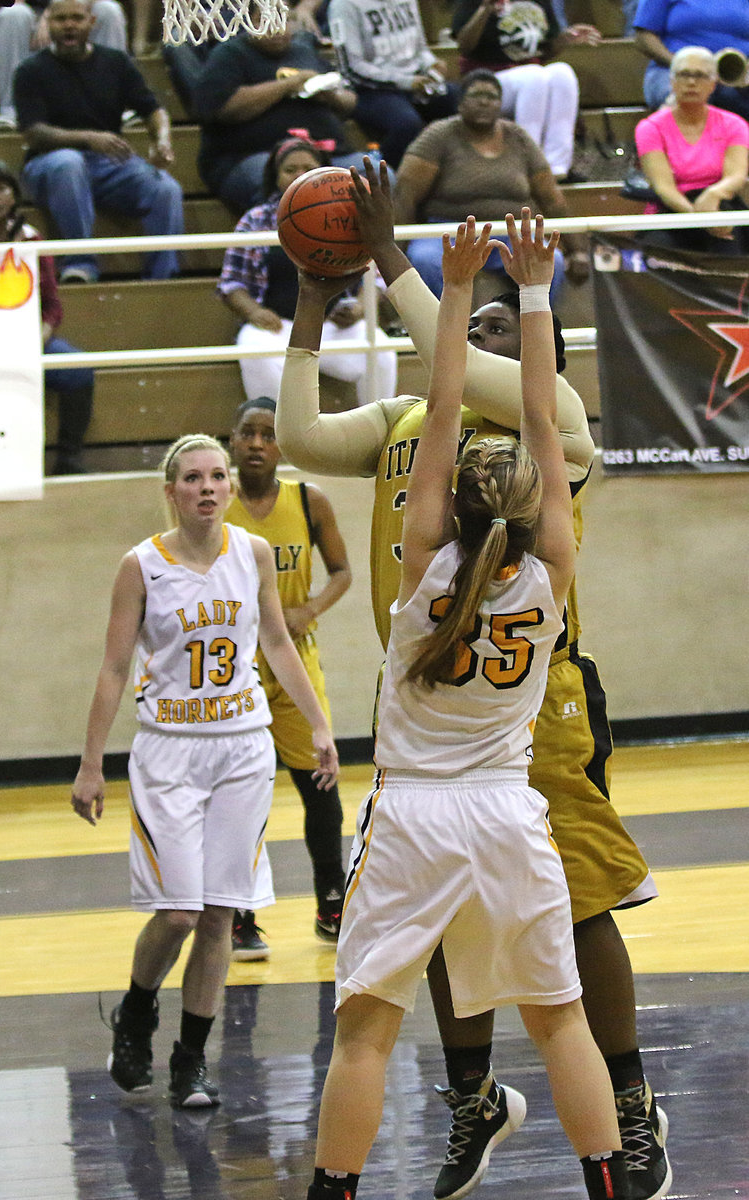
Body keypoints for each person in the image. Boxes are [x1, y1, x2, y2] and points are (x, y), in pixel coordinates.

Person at [277, 159, 671, 1200]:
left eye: (505, 326)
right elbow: (302, 435)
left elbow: (501, 395)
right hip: (474, 736)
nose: (484, 339)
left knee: (580, 908)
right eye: (477, 326)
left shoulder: (554, 431)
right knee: (471, 943)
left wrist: (404, 270)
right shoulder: (415, 430)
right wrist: (312, 312)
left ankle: (629, 1114)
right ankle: (476, 1099)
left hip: (510, 720)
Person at [71, 433, 339, 1108]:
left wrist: (318, 725)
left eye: (217, 475)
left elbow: (278, 641)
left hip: (242, 747)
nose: (209, 486)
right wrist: (90, 763)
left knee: (221, 912)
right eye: (193, 477)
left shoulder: (251, 555)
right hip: (169, 753)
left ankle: (191, 1060)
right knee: (179, 912)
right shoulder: (140, 566)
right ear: (171, 491)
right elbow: (112, 667)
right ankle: (137, 1011)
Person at [227, 396, 352, 957]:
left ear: (282, 446)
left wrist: (311, 608)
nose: (256, 443)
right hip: (233, 669)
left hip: (295, 663)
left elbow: (343, 571)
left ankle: (331, 903)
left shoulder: (308, 500)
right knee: (238, 796)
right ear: (232, 442)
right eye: (247, 433)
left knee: (320, 788)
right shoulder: (214, 503)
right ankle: (238, 913)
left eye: (268, 434)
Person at [218, 135, 397, 406]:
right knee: (253, 349)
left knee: (382, 351)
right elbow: (231, 284)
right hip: (278, 327)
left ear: (324, 173)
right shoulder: (255, 219)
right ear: (275, 176)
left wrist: (360, 307)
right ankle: (275, 440)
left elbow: (376, 276)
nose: (299, 175)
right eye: (290, 170)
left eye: (308, 169)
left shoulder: (351, 214)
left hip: (335, 326)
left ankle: (379, 439)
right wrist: (254, 312)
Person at [13, 0, 183, 283]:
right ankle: (81, 263)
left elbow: (154, 110)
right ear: (47, 22)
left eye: (77, 18)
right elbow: (33, 132)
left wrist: (162, 141)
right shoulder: (31, 70)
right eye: (61, 19)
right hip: (48, 165)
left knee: (165, 187)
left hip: (108, 166)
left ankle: (162, 276)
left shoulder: (115, 62)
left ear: (92, 22)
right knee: (69, 161)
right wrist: (88, 138)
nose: (69, 25)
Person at [393, 69, 589, 297]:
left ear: (500, 104)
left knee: (550, 259)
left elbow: (552, 200)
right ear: (460, 103)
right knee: (425, 259)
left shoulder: (519, 138)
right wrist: (399, 255)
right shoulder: (437, 136)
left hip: (510, 234)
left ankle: (536, 330)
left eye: (492, 96)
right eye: (476, 95)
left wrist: (577, 251)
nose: (484, 102)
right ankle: (439, 331)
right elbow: (405, 195)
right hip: (448, 232)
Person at [0, 157, 95, 474]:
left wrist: (37, 340)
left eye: (1, 188)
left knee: (77, 369)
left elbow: (53, 306)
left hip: (28, 339)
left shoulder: (32, 240)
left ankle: (68, 459)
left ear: (13, 195)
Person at [191, 17, 368, 214]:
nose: (276, 29)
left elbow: (350, 102)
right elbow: (220, 107)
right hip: (253, 157)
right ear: (248, 22)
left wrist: (328, 94)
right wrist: (288, 85)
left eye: (283, 21)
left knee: (375, 175)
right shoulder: (229, 54)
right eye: (265, 20)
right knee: (287, 181)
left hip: (325, 155)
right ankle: (284, 243)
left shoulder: (304, 52)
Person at [450, 0, 601, 181]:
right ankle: (527, 165)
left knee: (563, 73)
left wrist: (566, 38)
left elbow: (543, 51)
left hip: (529, 78)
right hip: (488, 81)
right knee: (534, 76)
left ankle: (557, 166)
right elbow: (464, 46)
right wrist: (484, 9)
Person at [635, 46, 749, 254]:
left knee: (729, 249)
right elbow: (664, 188)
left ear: (713, 84)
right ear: (672, 81)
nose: (691, 82)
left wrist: (715, 193)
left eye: (700, 75)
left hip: (721, 206)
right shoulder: (649, 128)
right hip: (671, 209)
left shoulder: (735, 124)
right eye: (684, 74)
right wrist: (701, 218)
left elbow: (736, 176)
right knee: (657, 252)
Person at [326, 0, 459, 170]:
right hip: (369, 89)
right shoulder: (344, 5)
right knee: (407, 124)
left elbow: (420, 48)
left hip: (414, 81)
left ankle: (452, 174)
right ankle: (392, 182)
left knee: (455, 98)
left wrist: (432, 64)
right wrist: (406, 81)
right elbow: (351, 67)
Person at [0, 0, 127, 130]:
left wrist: (56, 13)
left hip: (79, 8)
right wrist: (51, 18)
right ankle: (13, 111)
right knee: (13, 14)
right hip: (31, 19)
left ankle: (113, 107)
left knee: (109, 10)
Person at [633, 0, 749, 117]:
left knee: (733, 96)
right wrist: (683, 65)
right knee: (688, 96)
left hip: (738, 74)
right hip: (672, 70)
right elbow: (643, 36)